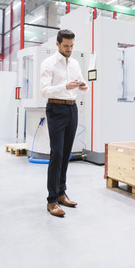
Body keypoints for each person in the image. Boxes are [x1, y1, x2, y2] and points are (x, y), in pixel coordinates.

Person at [40, 29, 88, 217]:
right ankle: (51, 200)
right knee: (57, 153)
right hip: (56, 109)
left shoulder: (75, 63)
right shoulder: (48, 63)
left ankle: (61, 193)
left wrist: (84, 86)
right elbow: (44, 91)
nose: (69, 49)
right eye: (66, 46)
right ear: (58, 44)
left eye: (72, 46)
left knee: (66, 152)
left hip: (72, 109)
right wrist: (64, 86)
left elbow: (82, 82)